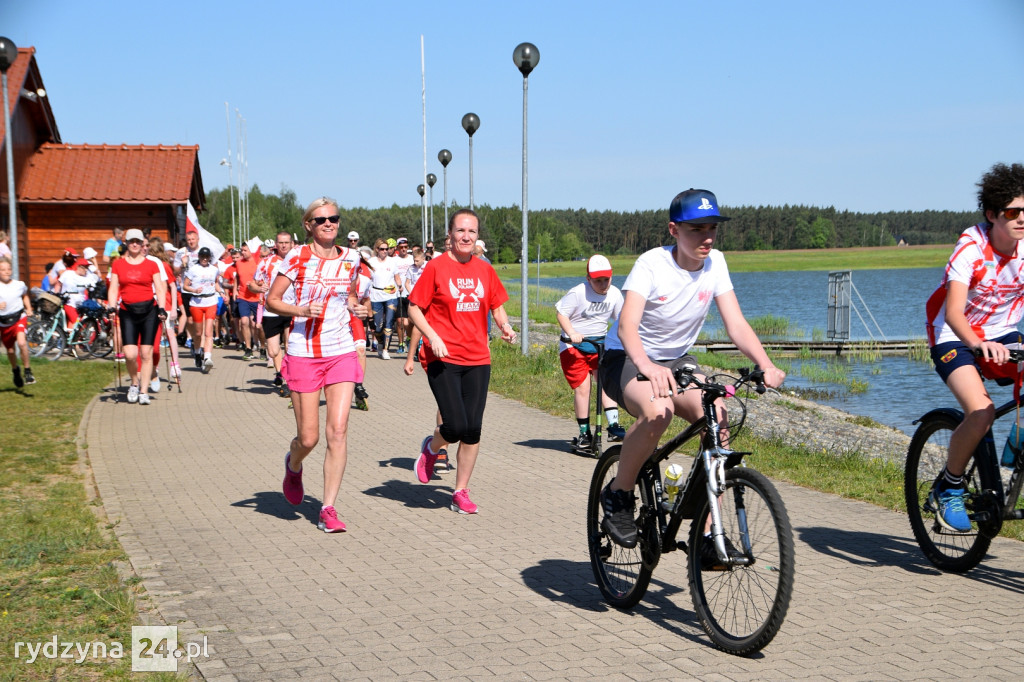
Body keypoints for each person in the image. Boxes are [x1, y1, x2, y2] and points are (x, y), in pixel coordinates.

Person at [597, 189, 785, 550]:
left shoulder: (716, 263)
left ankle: (708, 533)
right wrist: (647, 366)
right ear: (673, 230)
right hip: (627, 358)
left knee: (717, 413)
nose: (707, 237)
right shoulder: (651, 264)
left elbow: (737, 324)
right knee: (658, 412)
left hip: (677, 361)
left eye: (712, 228)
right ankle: (618, 495)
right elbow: (626, 327)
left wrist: (766, 365)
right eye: (697, 229)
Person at [925, 163, 1024, 532]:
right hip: (955, 335)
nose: (1021, 220)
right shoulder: (971, 247)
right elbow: (953, 312)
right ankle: (950, 487)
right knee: (981, 412)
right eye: (1013, 213)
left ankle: (1016, 449)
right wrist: (978, 344)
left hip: (1003, 333)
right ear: (992, 214)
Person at [266, 196, 367, 533]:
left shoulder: (351, 258)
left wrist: (358, 308)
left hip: (340, 351)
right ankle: (293, 465)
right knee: (308, 438)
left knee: (337, 432)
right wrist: (299, 311)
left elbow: (348, 296)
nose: (329, 224)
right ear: (308, 225)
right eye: (321, 219)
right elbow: (272, 300)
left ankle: (328, 508)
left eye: (334, 218)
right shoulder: (296, 257)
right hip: (304, 352)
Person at [408, 208, 518, 514]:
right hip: (443, 356)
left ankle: (460, 491)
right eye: (460, 231)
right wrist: (433, 336)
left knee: (473, 430)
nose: (466, 236)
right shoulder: (436, 268)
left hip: (478, 358)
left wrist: (505, 327)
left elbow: (496, 306)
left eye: (471, 231)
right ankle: (432, 449)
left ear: (477, 236)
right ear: (450, 235)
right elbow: (415, 308)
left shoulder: (484, 269)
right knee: (454, 426)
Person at [555, 254, 626, 450]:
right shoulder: (578, 293)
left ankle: (613, 426)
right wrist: (572, 332)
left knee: (606, 383)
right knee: (583, 388)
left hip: (599, 345)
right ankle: (585, 434)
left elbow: (621, 319)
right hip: (574, 346)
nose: (603, 285)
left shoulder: (614, 294)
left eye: (606, 279)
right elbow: (562, 314)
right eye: (598, 281)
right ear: (588, 279)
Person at [107, 228, 168, 405]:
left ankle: (143, 391)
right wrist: (112, 306)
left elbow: (159, 287)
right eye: (131, 241)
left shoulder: (151, 264)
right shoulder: (118, 264)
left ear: (142, 244)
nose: (134, 244)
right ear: (126, 243)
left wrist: (162, 308)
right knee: (130, 354)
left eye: (137, 241)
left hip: (149, 311)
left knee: (146, 353)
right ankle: (134, 382)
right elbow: (113, 287)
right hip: (127, 311)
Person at [255, 231, 294, 388]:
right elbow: (253, 283)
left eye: (286, 242)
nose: (284, 245)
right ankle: (280, 372)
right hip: (272, 309)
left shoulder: (298, 260)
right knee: (273, 350)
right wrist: (258, 287)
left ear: (291, 244)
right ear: (276, 245)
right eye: (281, 242)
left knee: (291, 344)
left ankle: (288, 378)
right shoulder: (266, 262)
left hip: (292, 308)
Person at [183, 247, 223, 373]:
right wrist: (194, 290)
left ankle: (207, 357)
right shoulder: (193, 269)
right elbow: (185, 285)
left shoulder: (214, 269)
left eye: (207, 257)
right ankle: (196, 352)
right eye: (202, 257)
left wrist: (221, 292)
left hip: (211, 301)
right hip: (196, 302)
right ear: (199, 257)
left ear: (210, 257)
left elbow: (216, 283)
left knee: (209, 331)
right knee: (198, 333)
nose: (205, 259)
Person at [0, 256, 35, 387]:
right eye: (3, 269)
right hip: (3, 322)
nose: (7, 272)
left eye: (9, 269)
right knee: (10, 350)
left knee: (21, 342)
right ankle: (15, 370)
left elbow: (24, 295)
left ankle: (28, 371)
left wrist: (29, 308)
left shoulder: (18, 285)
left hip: (19, 317)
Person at [368, 238, 398, 359]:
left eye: (387, 249)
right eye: (382, 249)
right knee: (378, 326)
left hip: (391, 295)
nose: (385, 251)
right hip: (376, 295)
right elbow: (366, 277)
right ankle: (380, 344)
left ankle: (386, 349)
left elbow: (396, 276)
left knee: (389, 323)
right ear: (377, 249)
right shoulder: (372, 261)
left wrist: (400, 285)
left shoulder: (392, 261)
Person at [233, 239, 262, 360]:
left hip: (256, 297)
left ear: (252, 251)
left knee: (256, 326)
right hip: (243, 296)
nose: (243, 252)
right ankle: (248, 349)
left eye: (245, 250)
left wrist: (257, 285)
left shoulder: (259, 262)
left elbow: (263, 278)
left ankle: (262, 347)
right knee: (244, 322)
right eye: (242, 250)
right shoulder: (239, 263)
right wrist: (235, 289)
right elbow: (237, 277)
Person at [392, 237, 414, 354]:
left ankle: (409, 339)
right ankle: (401, 344)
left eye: (405, 247)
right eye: (401, 247)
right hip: (398, 294)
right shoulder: (394, 260)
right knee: (400, 321)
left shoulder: (412, 259)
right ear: (398, 248)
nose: (403, 249)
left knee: (409, 322)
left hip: (411, 294)